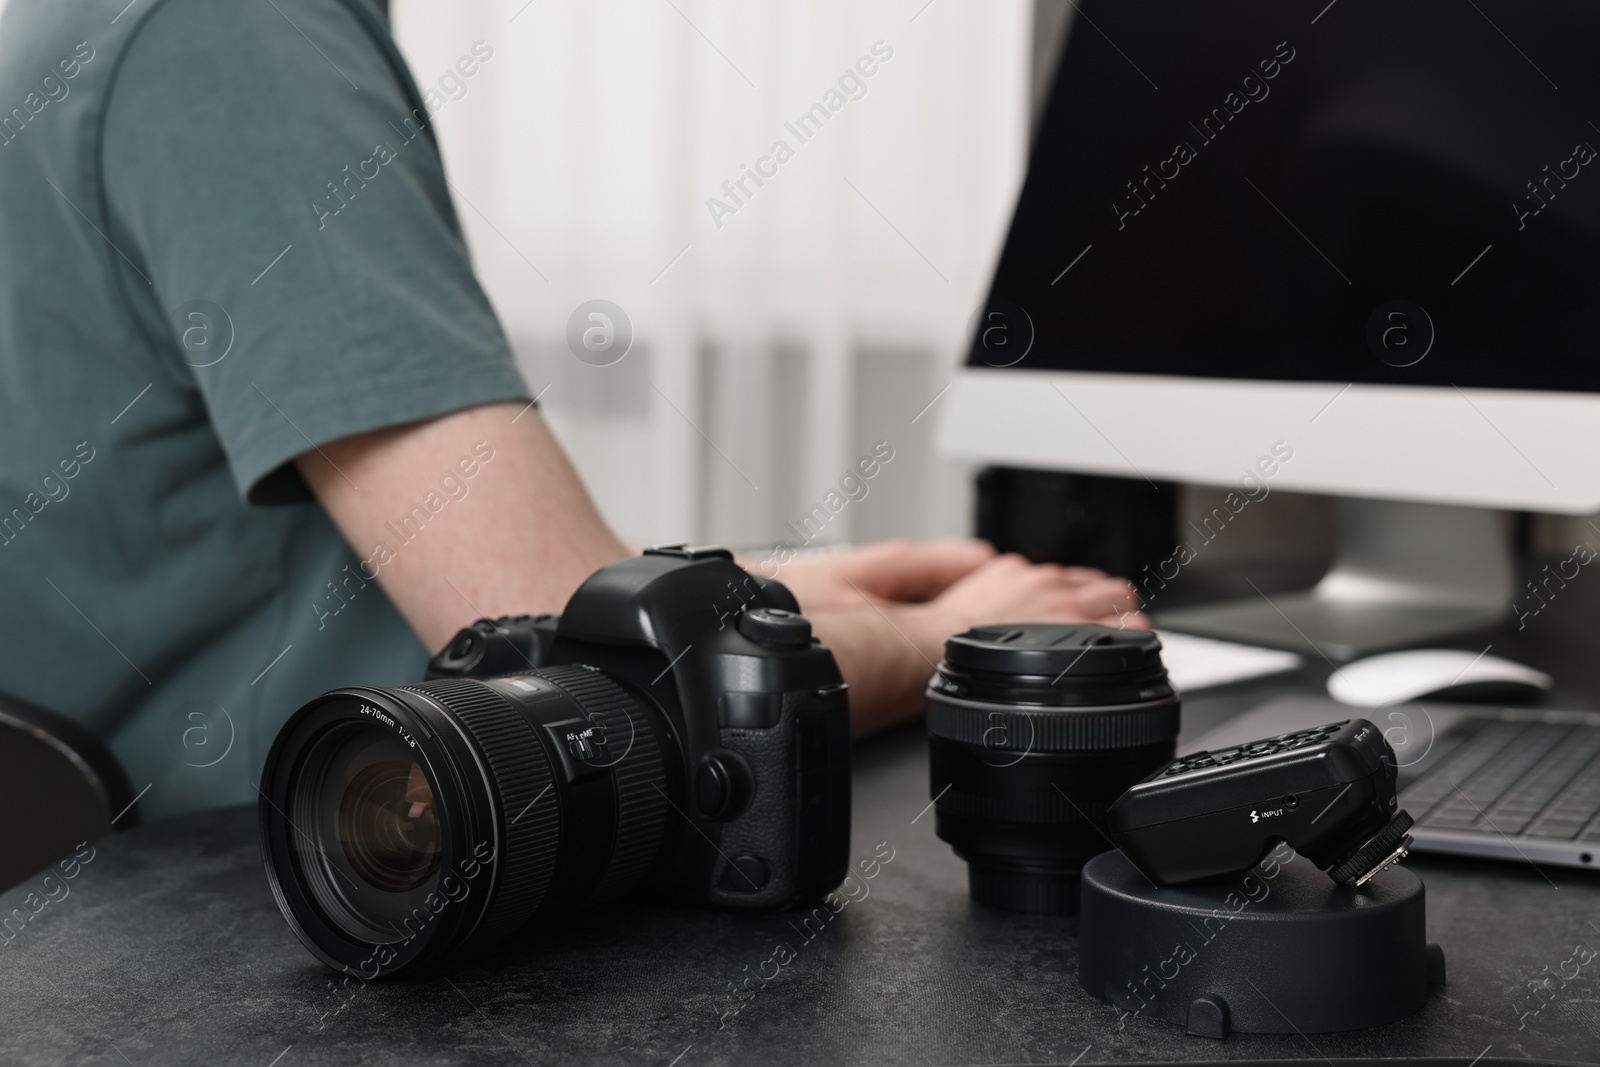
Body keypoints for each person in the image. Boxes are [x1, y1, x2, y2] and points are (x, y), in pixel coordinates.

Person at [0, 0, 1143, 821]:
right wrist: (955, 644)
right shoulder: (230, 39)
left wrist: (772, 597)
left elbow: (225, 556)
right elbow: (592, 699)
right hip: (275, 877)